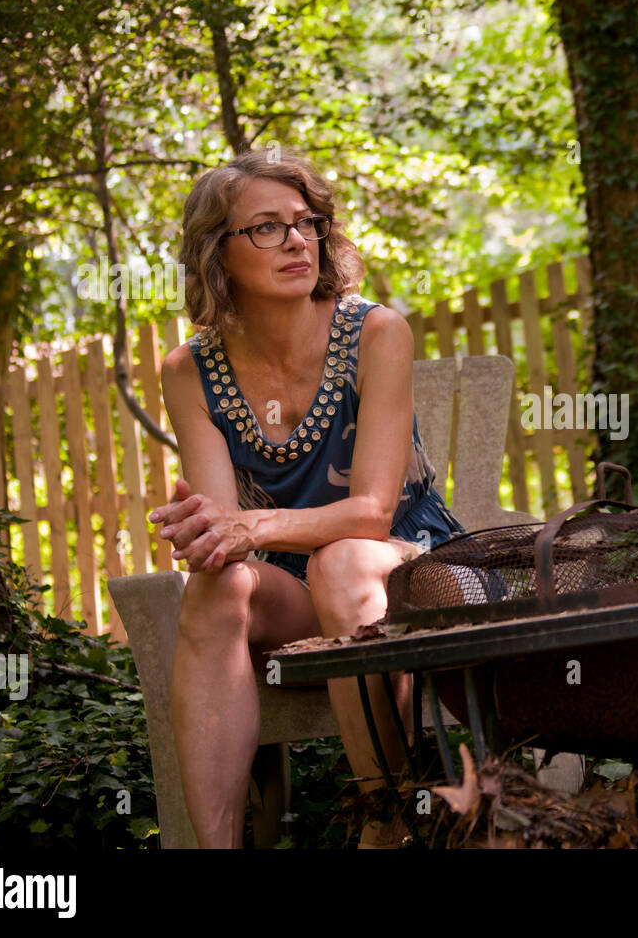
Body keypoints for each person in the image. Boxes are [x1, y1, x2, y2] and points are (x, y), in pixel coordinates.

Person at [149, 146, 465, 848]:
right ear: (217, 254)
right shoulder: (189, 372)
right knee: (215, 587)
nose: (296, 240)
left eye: (306, 222)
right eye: (266, 227)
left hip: (408, 570)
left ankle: (388, 824)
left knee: (344, 561)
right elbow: (222, 537)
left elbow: (370, 513)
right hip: (295, 590)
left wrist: (242, 523)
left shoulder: (376, 332)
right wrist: (201, 530)